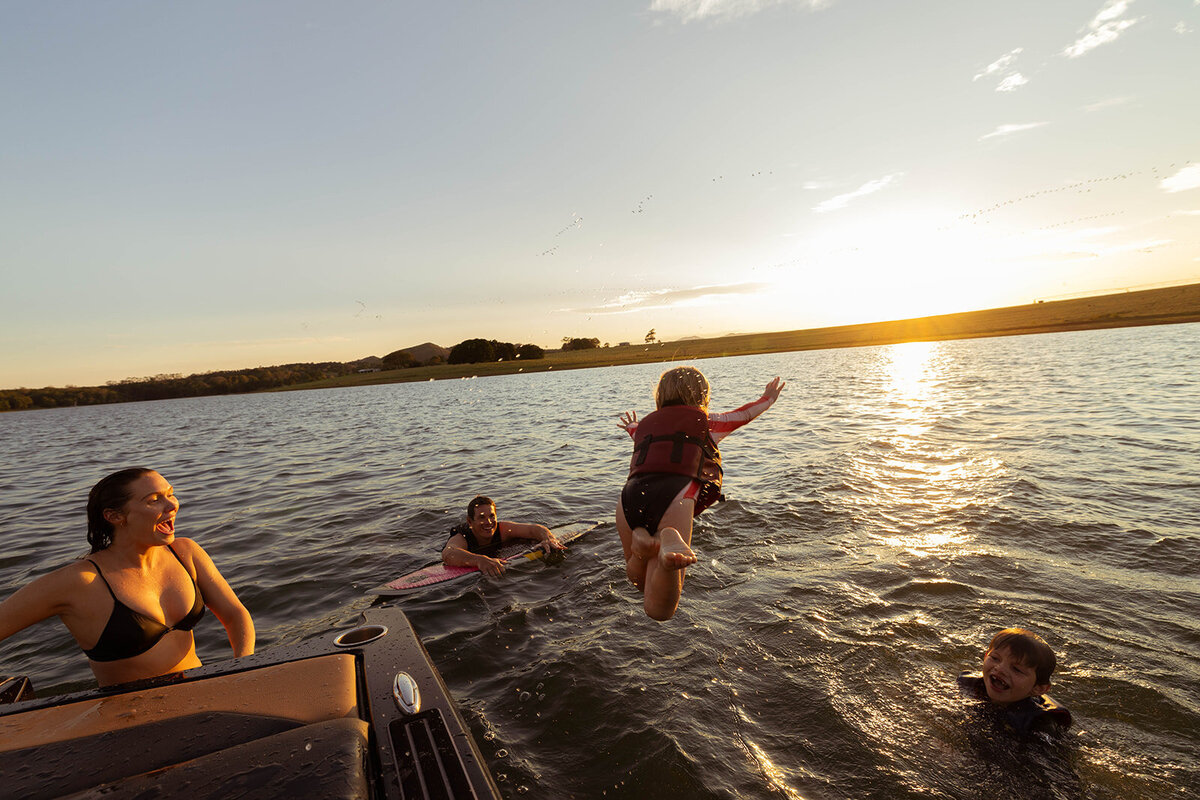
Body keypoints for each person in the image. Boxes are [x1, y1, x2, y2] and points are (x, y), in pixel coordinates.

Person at [0, 468, 255, 688]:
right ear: (114, 516)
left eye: (170, 494)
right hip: (129, 716)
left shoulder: (185, 552)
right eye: (154, 500)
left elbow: (235, 615)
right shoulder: (80, 581)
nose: (172, 505)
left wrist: (242, 668)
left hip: (200, 694)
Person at [617, 367, 785, 621]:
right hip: (674, 497)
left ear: (660, 396)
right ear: (703, 396)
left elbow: (635, 432)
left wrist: (631, 425)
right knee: (659, 610)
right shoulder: (706, 423)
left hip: (628, 498)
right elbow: (744, 414)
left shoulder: (646, 427)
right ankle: (666, 547)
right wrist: (768, 398)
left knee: (638, 582)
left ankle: (641, 549)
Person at [958, 627, 1073, 735]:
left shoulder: (1040, 726)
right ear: (985, 656)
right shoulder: (970, 685)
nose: (1000, 668)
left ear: (1038, 688)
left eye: (1016, 669)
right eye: (995, 658)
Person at [441, 495, 566, 577]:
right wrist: (480, 560)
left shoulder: (503, 529)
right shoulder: (462, 536)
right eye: (482, 517)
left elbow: (533, 529)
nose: (488, 522)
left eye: (492, 516)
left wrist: (548, 539)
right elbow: (448, 553)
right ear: (470, 522)